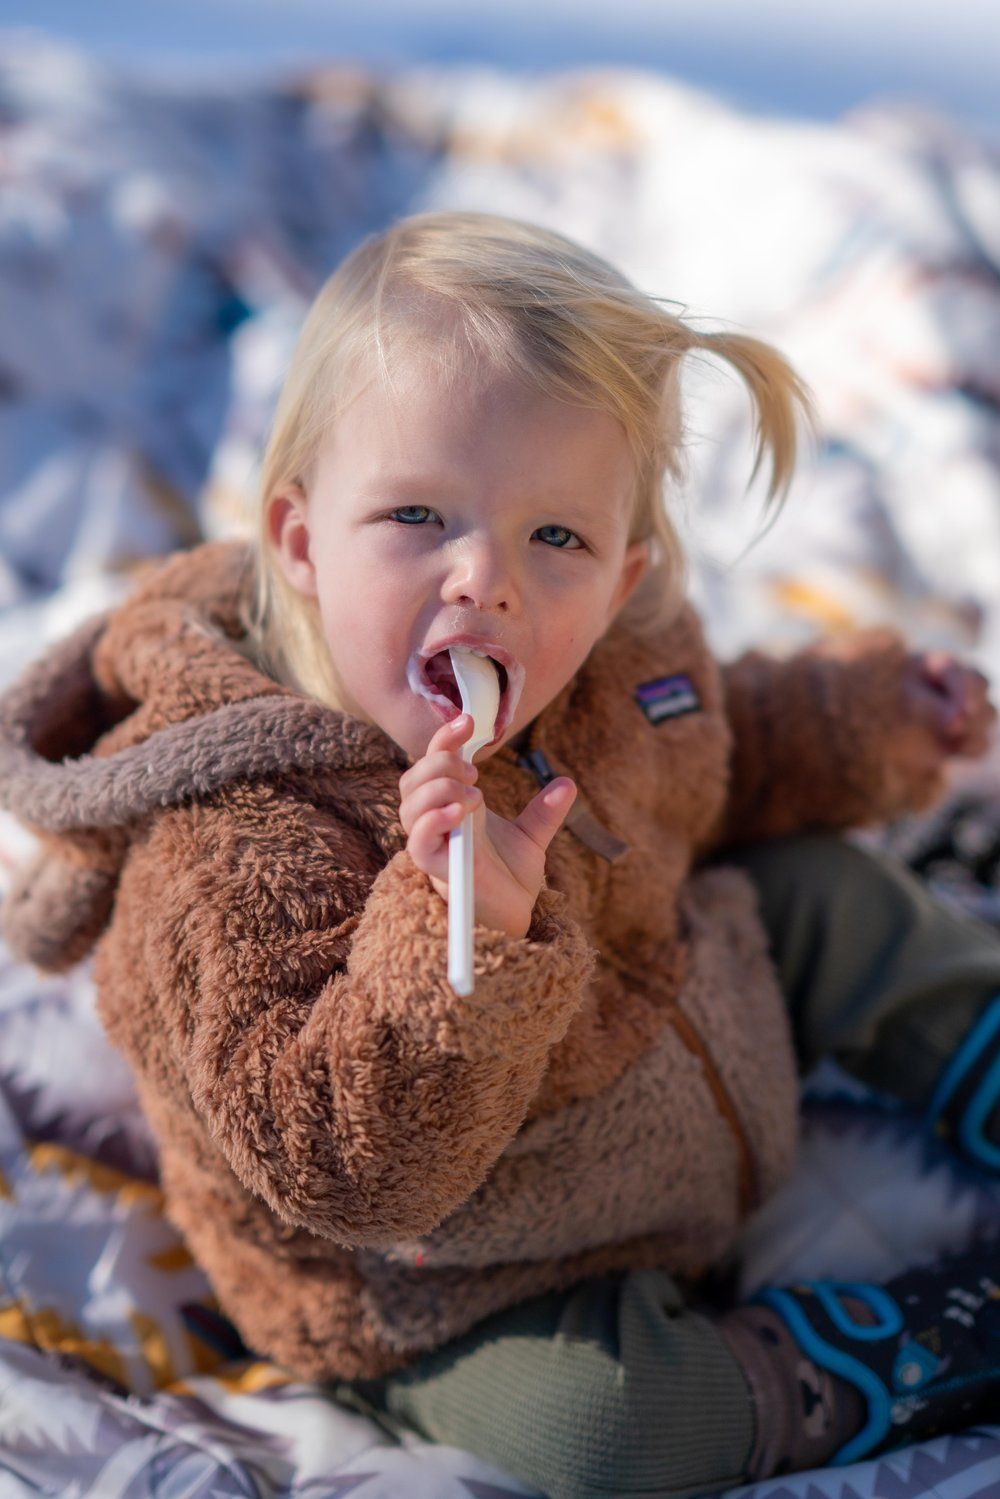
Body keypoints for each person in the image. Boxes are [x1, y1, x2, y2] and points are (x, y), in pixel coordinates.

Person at [0, 210, 997, 1499]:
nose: (488, 580)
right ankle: (870, 1355)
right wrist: (453, 941)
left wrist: (874, 721)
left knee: (826, 891)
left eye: (557, 538)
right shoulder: (228, 836)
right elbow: (341, 1169)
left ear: (625, 568)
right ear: (303, 542)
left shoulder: (616, 659)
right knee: (607, 1436)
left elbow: (718, 739)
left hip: (665, 1032)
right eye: (418, 514)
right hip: (450, 1271)